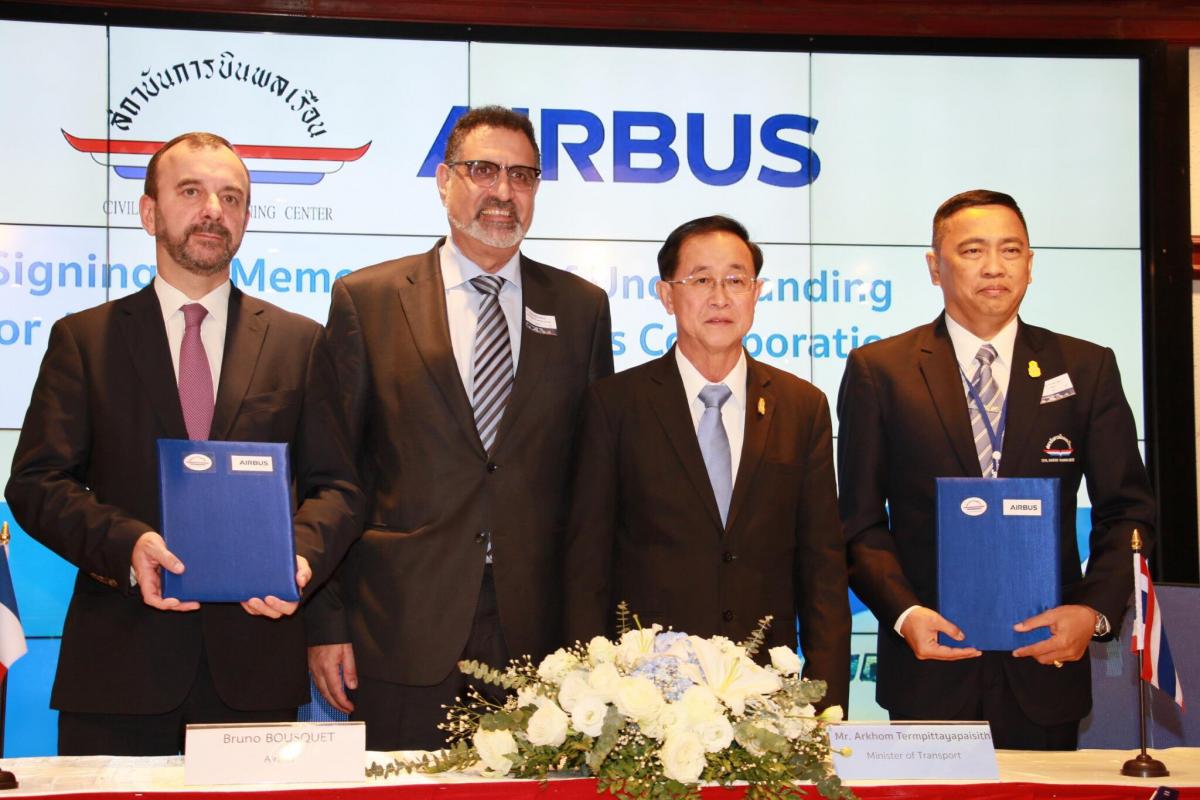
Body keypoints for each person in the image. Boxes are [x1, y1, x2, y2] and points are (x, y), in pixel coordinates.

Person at [5, 132, 363, 755]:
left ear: (245, 218)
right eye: (192, 192)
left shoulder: (300, 342)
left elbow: (338, 488)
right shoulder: (84, 340)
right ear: (149, 212)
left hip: (255, 673)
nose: (213, 211)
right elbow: (37, 484)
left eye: (231, 197)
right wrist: (127, 545)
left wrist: (300, 557)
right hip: (117, 673)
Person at [306, 105, 613, 750]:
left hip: (541, 641)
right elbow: (333, 474)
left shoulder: (582, 309)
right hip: (400, 628)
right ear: (444, 181)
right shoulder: (367, 300)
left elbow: (592, 489)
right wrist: (326, 623)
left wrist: (593, 638)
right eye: (483, 170)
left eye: (522, 176)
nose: (503, 191)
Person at [838, 189, 1156, 749]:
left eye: (1010, 251)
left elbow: (1128, 511)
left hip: (1045, 667)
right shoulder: (880, 371)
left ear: (1030, 264)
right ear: (934, 267)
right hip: (929, 669)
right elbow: (859, 522)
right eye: (972, 250)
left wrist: (1093, 612)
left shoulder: (1086, 367)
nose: (994, 267)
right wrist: (905, 614)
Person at [563, 215, 850, 711]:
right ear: (666, 295)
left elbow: (822, 566)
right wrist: (590, 693)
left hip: (767, 694)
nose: (720, 297)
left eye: (736, 280)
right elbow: (587, 564)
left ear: (757, 293)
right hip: (645, 697)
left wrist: (826, 703)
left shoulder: (802, 406)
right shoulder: (615, 405)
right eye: (700, 280)